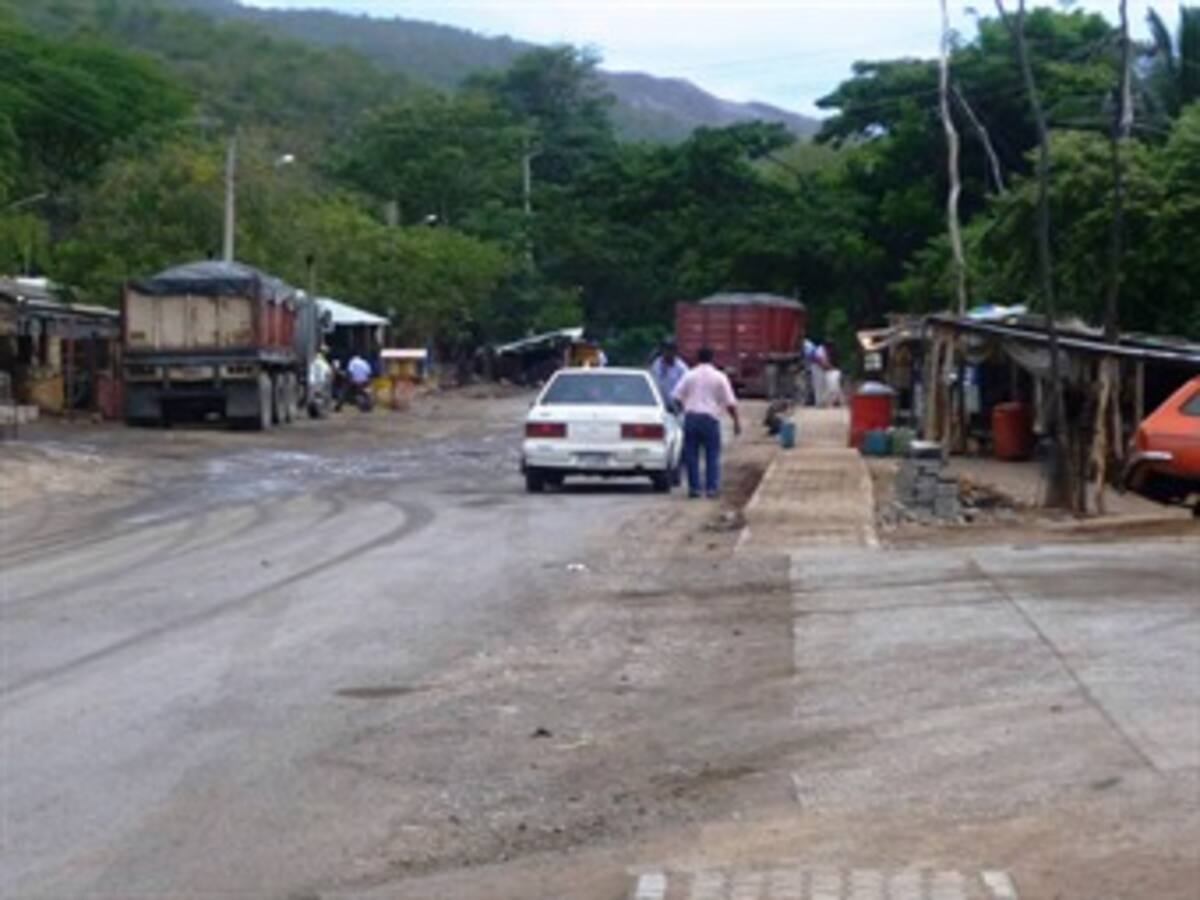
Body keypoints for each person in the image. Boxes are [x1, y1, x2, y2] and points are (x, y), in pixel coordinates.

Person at [672, 347, 741, 499]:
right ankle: (711, 488)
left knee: (691, 455)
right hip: (710, 419)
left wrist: (683, 410)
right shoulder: (719, 377)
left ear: (697, 358)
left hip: (691, 417)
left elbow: (676, 396)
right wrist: (736, 421)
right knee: (712, 454)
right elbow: (730, 403)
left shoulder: (689, 375)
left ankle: (694, 488)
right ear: (712, 358)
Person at [649, 339, 689, 410]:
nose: (668, 353)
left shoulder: (681, 367)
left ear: (675, 351)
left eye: (670, 350)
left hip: (676, 406)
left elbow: (686, 386)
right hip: (660, 404)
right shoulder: (656, 364)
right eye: (666, 350)